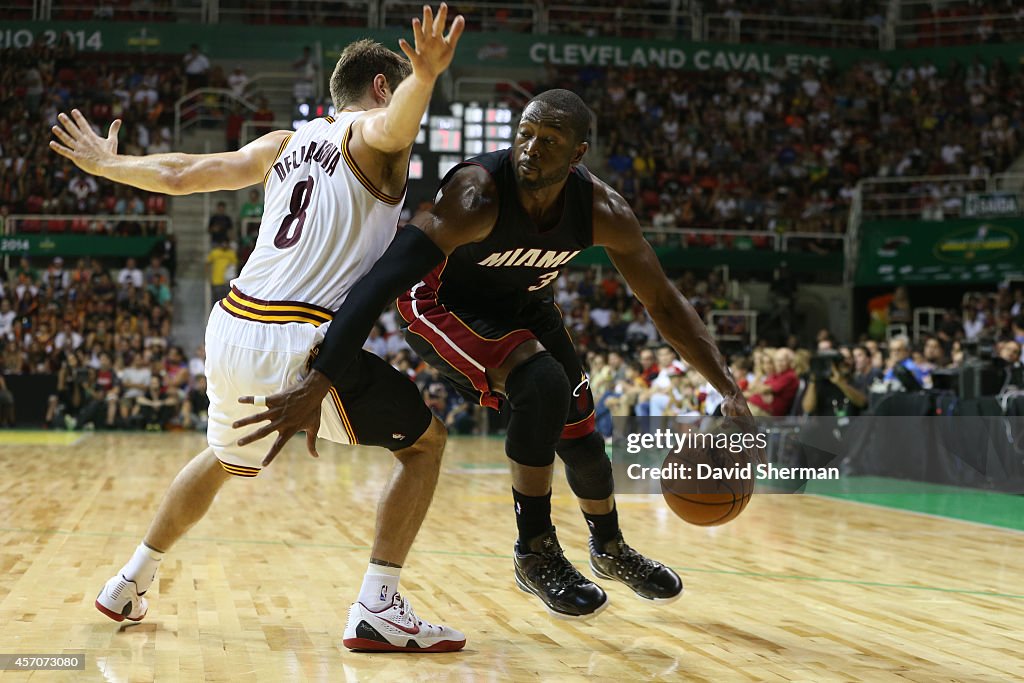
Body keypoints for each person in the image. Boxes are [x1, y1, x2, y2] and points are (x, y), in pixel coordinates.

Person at [235, 89, 753, 620]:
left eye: (549, 141)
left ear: (578, 154)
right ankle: (535, 550)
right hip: (438, 304)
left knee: (582, 434)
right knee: (542, 383)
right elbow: (382, 282)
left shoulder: (603, 210)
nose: (530, 148)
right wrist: (322, 377)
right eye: (525, 134)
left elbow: (663, 303)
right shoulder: (475, 194)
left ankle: (611, 548)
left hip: (524, 305)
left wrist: (728, 387)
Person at [49, 5, 466, 653]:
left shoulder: (282, 144)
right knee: (426, 444)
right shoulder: (374, 136)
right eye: (398, 85)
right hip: (299, 336)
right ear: (381, 86)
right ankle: (379, 604)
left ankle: (129, 579)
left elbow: (183, 173)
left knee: (224, 457)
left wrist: (110, 166)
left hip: (234, 323)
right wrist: (427, 76)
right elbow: (394, 124)